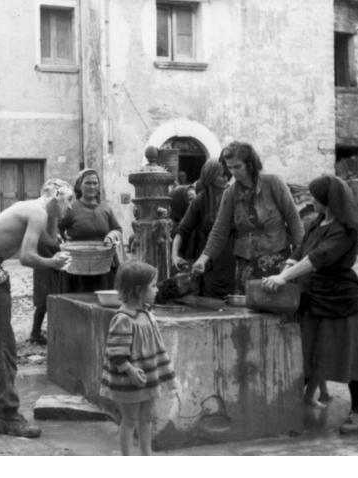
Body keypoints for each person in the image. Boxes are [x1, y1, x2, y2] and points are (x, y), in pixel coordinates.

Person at [0, 178, 73, 438]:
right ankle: (7, 414)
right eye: (68, 200)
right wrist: (53, 264)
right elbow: (26, 257)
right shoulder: (38, 212)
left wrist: (56, 215)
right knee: (0, 341)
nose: (70, 207)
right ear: (56, 197)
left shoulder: (35, 209)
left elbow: (52, 240)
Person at [262, 175, 358, 434]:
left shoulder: (345, 229)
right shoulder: (317, 222)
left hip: (341, 300)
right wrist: (286, 266)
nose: (311, 201)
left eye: (315, 197)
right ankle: (289, 408)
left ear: (328, 200)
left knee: (351, 357)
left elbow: (317, 258)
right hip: (314, 296)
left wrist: (283, 278)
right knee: (310, 354)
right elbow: (301, 252)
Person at [192, 142, 303, 294]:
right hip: (246, 263)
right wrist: (203, 259)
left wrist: (301, 256)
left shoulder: (273, 183)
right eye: (229, 167)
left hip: (277, 260)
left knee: (278, 308)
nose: (233, 172)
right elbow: (219, 230)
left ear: (250, 164)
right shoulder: (230, 193)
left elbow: (294, 220)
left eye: (237, 167)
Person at [99, 261, 175, 456]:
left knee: (147, 418)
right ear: (139, 290)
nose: (156, 289)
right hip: (129, 380)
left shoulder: (146, 315)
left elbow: (156, 347)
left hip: (147, 379)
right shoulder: (123, 319)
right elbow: (115, 353)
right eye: (153, 285)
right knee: (130, 420)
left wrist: (165, 374)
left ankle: (146, 455)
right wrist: (130, 370)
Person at [172, 157, 235, 297]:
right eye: (221, 175)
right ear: (210, 177)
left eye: (227, 175)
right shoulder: (200, 200)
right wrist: (174, 256)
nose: (225, 178)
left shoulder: (234, 197)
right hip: (207, 262)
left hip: (231, 259)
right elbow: (182, 230)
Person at [59, 168, 122, 292]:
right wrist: (64, 242)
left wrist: (111, 235)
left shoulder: (105, 208)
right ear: (79, 186)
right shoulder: (71, 208)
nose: (92, 186)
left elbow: (118, 229)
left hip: (103, 263)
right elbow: (58, 229)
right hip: (78, 266)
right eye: (88, 183)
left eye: (95, 183)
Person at [30, 215, 67, 345]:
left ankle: (45, 332)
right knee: (43, 304)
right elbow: (49, 252)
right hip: (45, 272)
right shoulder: (42, 235)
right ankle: (36, 334)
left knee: (49, 303)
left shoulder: (53, 233)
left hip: (52, 272)